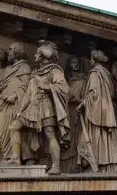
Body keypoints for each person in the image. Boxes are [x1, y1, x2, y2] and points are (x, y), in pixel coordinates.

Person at [9, 41, 71, 174]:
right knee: (14, 126)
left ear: (43, 56)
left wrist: (47, 87)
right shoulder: (35, 72)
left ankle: (56, 166)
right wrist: (20, 110)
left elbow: (64, 88)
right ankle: (15, 158)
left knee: (49, 133)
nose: (35, 56)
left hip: (46, 106)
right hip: (32, 107)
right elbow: (28, 94)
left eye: (37, 54)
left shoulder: (54, 70)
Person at [77, 50, 117, 172]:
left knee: (95, 136)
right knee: (105, 137)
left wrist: (83, 104)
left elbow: (94, 93)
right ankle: (113, 162)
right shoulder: (106, 74)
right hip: (106, 111)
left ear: (94, 60)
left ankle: (99, 163)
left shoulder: (95, 73)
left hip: (97, 111)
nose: (90, 61)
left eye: (91, 58)